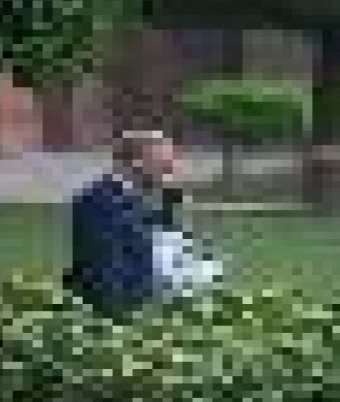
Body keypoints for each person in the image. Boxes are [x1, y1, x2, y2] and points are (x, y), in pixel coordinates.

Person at [64, 130, 223, 316]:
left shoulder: (137, 195)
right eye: (164, 164)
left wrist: (169, 198)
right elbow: (108, 266)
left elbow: (171, 242)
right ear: (135, 163)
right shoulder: (100, 199)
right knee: (205, 272)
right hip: (118, 296)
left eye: (170, 164)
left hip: (143, 285)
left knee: (210, 269)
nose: (171, 169)